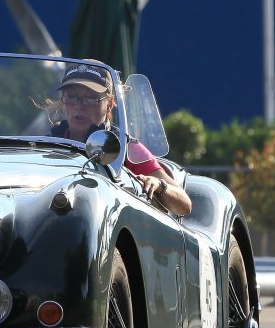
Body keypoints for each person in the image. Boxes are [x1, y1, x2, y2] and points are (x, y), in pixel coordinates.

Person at [53, 64, 192, 217]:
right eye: (71, 97)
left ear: (109, 104)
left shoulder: (125, 147)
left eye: (91, 98)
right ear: (62, 100)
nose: (79, 106)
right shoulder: (46, 144)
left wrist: (158, 184)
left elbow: (184, 205)